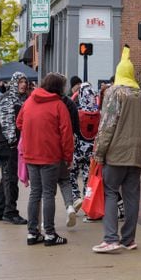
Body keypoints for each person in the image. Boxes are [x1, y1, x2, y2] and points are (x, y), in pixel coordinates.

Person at [91, 45, 141, 253]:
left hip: (115, 153)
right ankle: (129, 238)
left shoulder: (114, 93)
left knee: (111, 193)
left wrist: (99, 152)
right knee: (132, 196)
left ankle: (110, 238)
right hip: (135, 153)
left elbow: (107, 125)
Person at [17, 73, 74, 247]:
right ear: (59, 87)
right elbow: (66, 135)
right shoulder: (58, 105)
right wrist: (68, 157)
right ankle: (49, 233)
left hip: (31, 153)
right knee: (48, 193)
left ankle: (32, 233)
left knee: (35, 193)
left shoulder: (29, 102)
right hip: (50, 155)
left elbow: (19, 123)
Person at [0, 72, 29, 225]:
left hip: (10, 144)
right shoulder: (8, 100)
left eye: (25, 81)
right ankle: (10, 212)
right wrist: (13, 142)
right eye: (20, 81)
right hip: (7, 144)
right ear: (14, 83)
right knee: (11, 179)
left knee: (6, 177)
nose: (23, 84)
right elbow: (7, 124)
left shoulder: (20, 99)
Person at [70, 82, 98, 213]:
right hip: (91, 150)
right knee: (88, 177)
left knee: (72, 174)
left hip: (77, 149)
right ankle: (88, 204)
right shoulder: (98, 113)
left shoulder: (77, 111)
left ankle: (75, 197)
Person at [58, 90, 80, 228]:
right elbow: (74, 128)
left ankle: (44, 224)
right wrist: (68, 156)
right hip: (66, 146)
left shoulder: (48, 103)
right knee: (65, 181)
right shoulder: (70, 103)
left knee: (46, 190)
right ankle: (70, 206)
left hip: (47, 149)